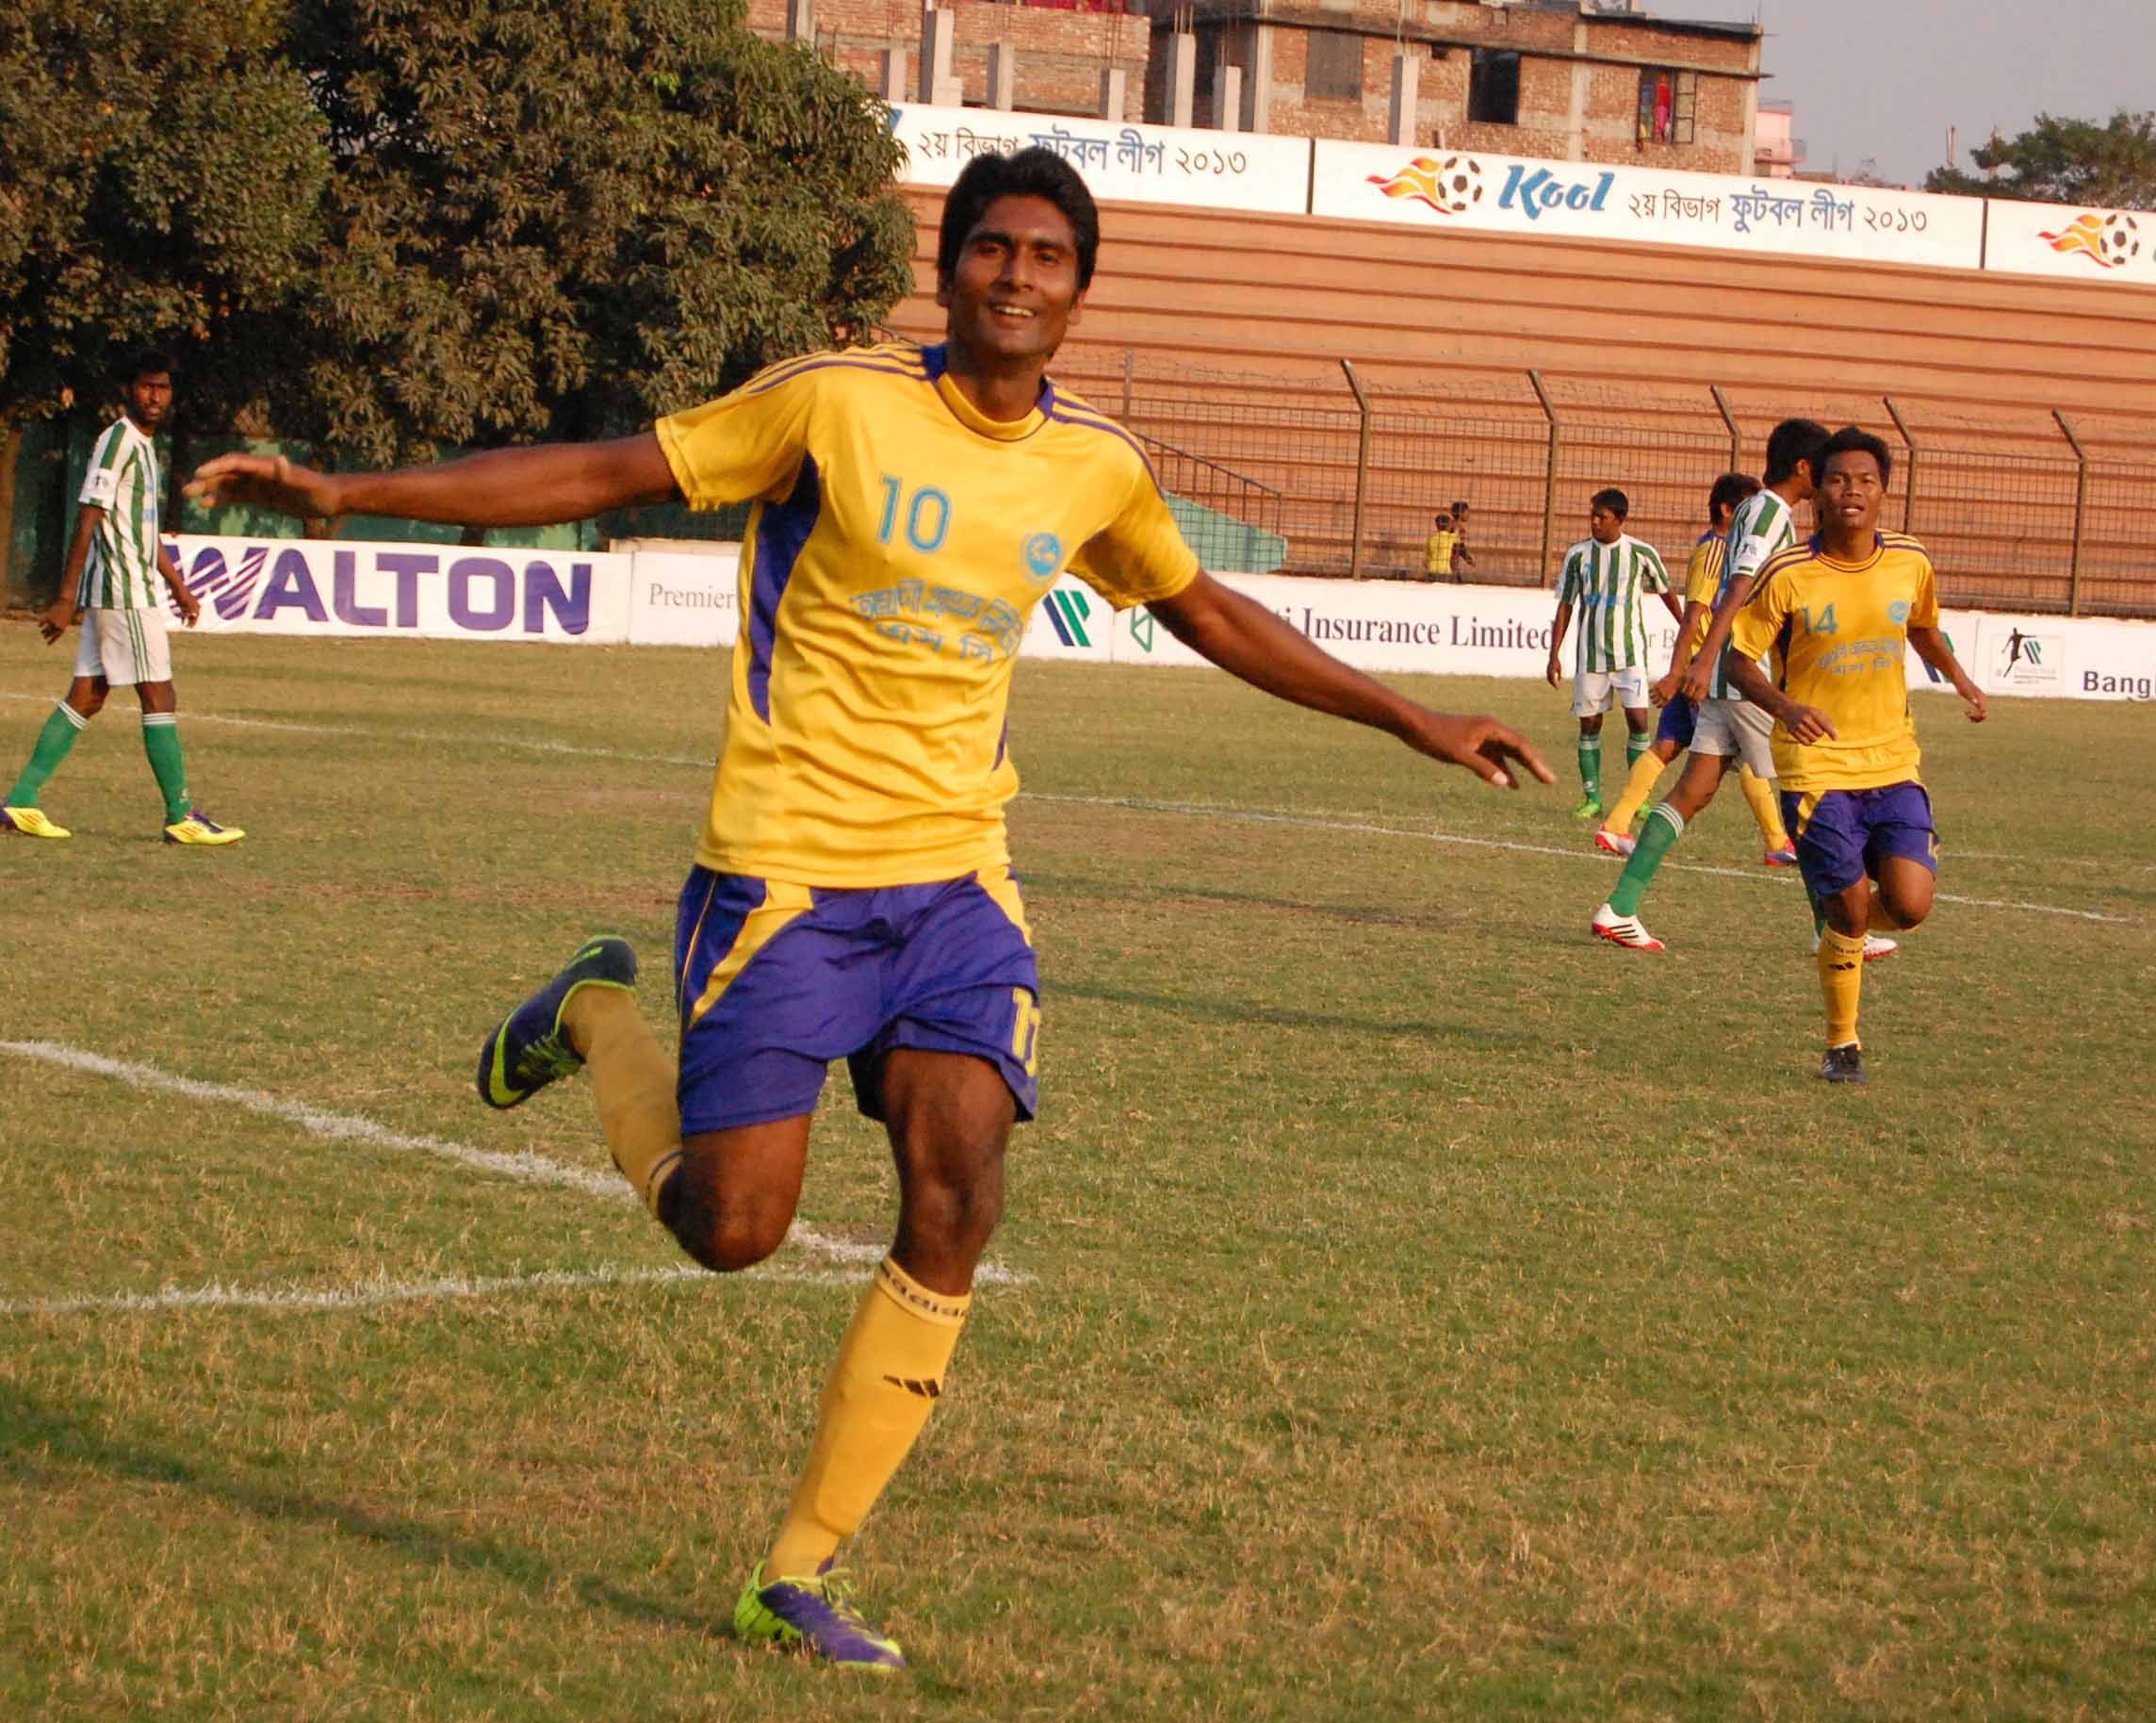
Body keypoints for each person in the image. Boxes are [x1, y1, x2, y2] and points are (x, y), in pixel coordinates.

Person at [186, 147, 1551, 1669]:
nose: (1016, 275)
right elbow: (602, 471)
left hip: (958, 881)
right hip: (783, 877)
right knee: (732, 1229)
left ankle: (793, 1571)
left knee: (959, 1182)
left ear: (1078, 291)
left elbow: (1209, 608)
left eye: (1045, 255)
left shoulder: (1093, 464)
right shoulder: (830, 401)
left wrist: (1409, 718)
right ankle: (593, 1007)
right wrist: (346, 488)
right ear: (950, 266)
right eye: (990, 248)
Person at [1722, 426, 1985, 1082]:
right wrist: (1785, 706)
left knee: (1912, 905)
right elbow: (1737, 657)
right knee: (1847, 910)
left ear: (1884, 491)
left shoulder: (1910, 561)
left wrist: (1959, 677)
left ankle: (1855, 909)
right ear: (1817, 493)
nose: (1852, 492)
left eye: (1866, 481)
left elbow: (1922, 626)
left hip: (1894, 760)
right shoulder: (1790, 573)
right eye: (1839, 480)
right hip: (1816, 767)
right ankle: (1843, 1047)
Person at [1591, 418, 1839, 952]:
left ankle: (1620, 908)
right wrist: (1705, 661)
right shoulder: (1771, 512)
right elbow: (1742, 586)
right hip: (1747, 674)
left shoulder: (1753, 508)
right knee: (1804, 798)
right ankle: (1835, 930)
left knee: (1693, 791)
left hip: (1728, 675)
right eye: (1829, 466)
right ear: (1804, 467)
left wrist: (1709, 662)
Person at [0, 351, 242, 846]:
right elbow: (89, 515)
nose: (155, 396)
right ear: (129, 389)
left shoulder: (145, 447)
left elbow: (141, 529)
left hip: (128, 586)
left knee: (88, 697)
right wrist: (65, 596)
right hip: (122, 590)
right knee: (159, 693)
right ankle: (181, 815)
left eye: (164, 387)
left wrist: (177, 585)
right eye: (146, 386)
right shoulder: (117, 442)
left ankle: (21, 800)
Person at [1595, 471, 1797, 868]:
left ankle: (1617, 823)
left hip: (1702, 669)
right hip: (1709, 672)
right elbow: (1694, 615)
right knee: (1748, 756)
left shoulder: (1725, 548)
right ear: (1727, 510)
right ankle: (1778, 840)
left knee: (1667, 746)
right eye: (1746, 506)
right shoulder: (1716, 552)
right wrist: (1679, 671)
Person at [1544, 488, 1681, 822]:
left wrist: (1689, 629)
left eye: (1601, 517)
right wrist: (1555, 654)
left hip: (1630, 654)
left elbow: (1667, 593)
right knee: (1590, 724)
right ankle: (1592, 797)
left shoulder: (1641, 553)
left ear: (1620, 519)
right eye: (1592, 515)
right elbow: (1566, 605)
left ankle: (1639, 799)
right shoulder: (1578, 556)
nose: (1594, 522)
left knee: (1638, 721)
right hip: (1591, 657)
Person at [1423, 512, 1459, 582]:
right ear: (1448, 525)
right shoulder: (1451, 537)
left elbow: (1425, 560)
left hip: (1432, 570)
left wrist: (1429, 567)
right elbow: (1458, 534)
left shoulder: (1431, 539)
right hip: (1445, 570)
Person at [1447, 498, 1477, 579]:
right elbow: (1459, 547)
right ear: (1461, 513)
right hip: (1452, 561)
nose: (1469, 514)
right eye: (1467, 512)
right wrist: (1469, 559)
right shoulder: (1460, 528)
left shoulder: (1449, 524)